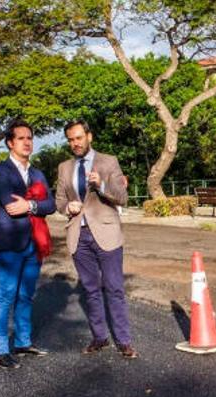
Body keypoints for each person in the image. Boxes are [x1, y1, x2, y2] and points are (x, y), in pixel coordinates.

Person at [55, 120, 136, 359]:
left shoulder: (108, 162)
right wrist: (67, 206)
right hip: (78, 235)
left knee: (114, 288)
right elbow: (59, 200)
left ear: (89, 136)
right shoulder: (64, 167)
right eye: (70, 139)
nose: (75, 143)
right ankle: (99, 337)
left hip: (106, 233)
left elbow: (122, 197)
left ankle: (123, 341)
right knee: (90, 290)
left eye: (79, 138)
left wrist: (100, 185)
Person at [0, 119, 56, 369]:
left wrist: (30, 204)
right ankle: (0, 349)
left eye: (30, 138)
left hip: (35, 243)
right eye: (21, 138)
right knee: (6, 295)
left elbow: (51, 205)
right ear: (10, 143)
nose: (27, 142)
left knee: (27, 295)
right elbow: (10, 205)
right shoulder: (0, 172)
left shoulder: (38, 173)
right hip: (10, 244)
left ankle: (23, 342)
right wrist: (34, 205)